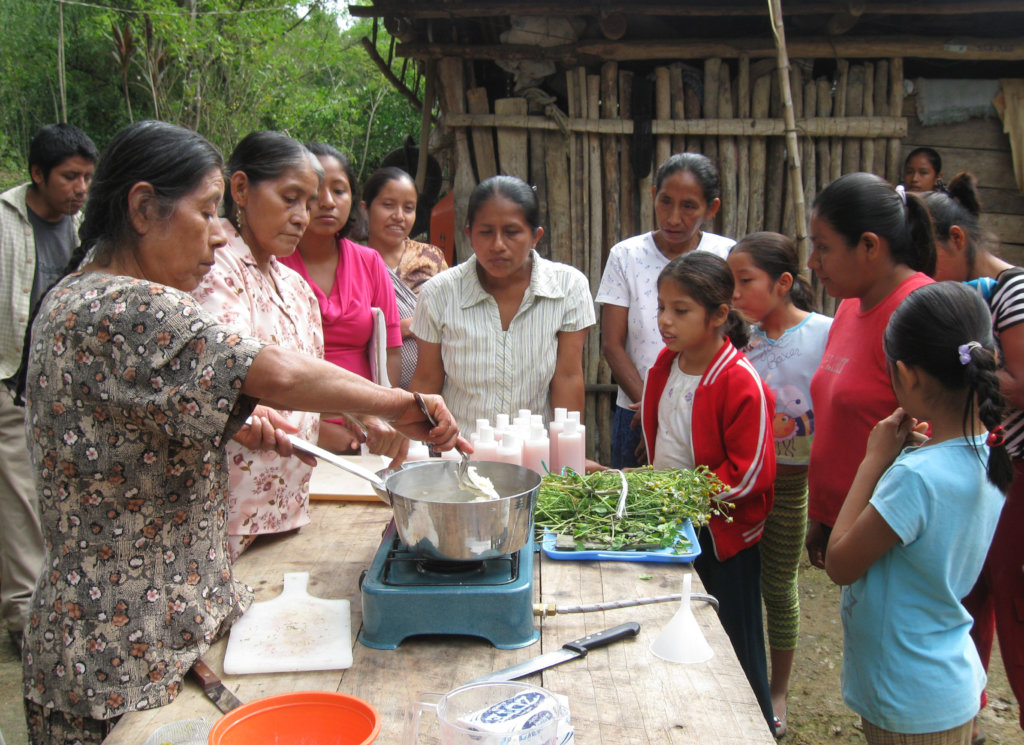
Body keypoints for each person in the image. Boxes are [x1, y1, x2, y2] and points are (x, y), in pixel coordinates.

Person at [17, 120, 462, 745]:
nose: (216, 233)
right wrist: (397, 402)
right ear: (144, 208)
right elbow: (271, 371)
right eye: (205, 212)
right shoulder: (122, 309)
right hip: (123, 650)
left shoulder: (82, 298)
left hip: (138, 633)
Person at [825, 281, 1009, 745]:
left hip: (907, 698)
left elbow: (840, 564)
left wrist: (873, 461)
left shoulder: (918, 479)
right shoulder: (990, 453)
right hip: (945, 683)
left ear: (907, 375)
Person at [640, 251, 776, 734]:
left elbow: (747, 473)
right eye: (661, 307)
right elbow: (664, 442)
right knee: (676, 628)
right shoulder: (666, 365)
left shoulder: (739, 382)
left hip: (725, 538)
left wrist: (671, 495)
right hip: (672, 525)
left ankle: (756, 725)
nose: (665, 321)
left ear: (719, 315)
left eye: (680, 310)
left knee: (735, 639)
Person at [191, 131, 325, 560]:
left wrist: (363, 415)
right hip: (227, 518)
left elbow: (315, 381)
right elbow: (240, 374)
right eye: (290, 198)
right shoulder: (215, 267)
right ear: (242, 189)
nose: (302, 216)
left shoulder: (296, 287)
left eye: (309, 203)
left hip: (288, 508)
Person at [924, 174, 1024, 739]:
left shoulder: (1012, 290)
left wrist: (954, 376)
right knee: (973, 595)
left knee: (1012, 607)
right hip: (994, 468)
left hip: (1018, 472)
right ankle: (968, 716)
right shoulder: (980, 293)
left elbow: (1022, 381)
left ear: (955, 240)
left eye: (927, 256)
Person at [727, 232, 832, 738]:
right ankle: (741, 676)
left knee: (778, 585)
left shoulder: (825, 334)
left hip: (792, 488)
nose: (735, 294)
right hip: (742, 488)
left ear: (783, 283)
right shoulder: (736, 341)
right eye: (730, 283)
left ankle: (779, 689)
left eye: (745, 282)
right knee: (738, 584)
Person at [806, 174, 935, 569]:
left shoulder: (917, 313)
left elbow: (937, 439)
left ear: (869, 246)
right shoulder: (850, 304)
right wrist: (823, 516)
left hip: (892, 535)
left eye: (823, 248)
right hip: (843, 524)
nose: (812, 262)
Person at [0, 122, 97, 647]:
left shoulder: (81, 227)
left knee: (50, 494)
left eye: (86, 177)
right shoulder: (4, 221)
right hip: (8, 377)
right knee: (18, 497)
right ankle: (23, 616)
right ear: (37, 174)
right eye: (68, 176)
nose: (79, 187)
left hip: (56, 384)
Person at [409, 175, 594, 431]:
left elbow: (568, 378)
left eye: (512, 232)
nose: (498, 245)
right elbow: (427, 379)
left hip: (535, 456)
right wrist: (419, 452)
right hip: (460, 454)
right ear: (469, 235)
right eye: (486, 232)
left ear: (535, 236)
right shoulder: (439, 294)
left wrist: (566, 457)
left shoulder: (569, 288)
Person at [596, 152, 734, 468]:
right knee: (633, 507)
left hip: (705, 414)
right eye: (665, 201)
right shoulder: (626, 256)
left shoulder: (726, 254)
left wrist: (674, 415)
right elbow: (613, 346)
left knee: (701, 508)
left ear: (711, 208)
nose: (673, 217)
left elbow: (734, 337)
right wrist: (651, 411)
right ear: (653, 195)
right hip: (636, 411)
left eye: (688, 206)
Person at [279, 144, 404, 452]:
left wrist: (383, 418)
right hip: (287, 428)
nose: (327, 202)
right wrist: (315, 429)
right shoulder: (275, 264)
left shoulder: (371, 262)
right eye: (317, 191)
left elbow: (391, 352)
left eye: (339, 190)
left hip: (366, 427)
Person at [361, 166, 447, 389]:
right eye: (388, 205)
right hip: (371, 387)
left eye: (409, 208)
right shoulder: (352, 261)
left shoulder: (431, 257)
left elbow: (453, 315)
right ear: (365, 209)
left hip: (435, 387)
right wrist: (403, 327)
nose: (399, 216)